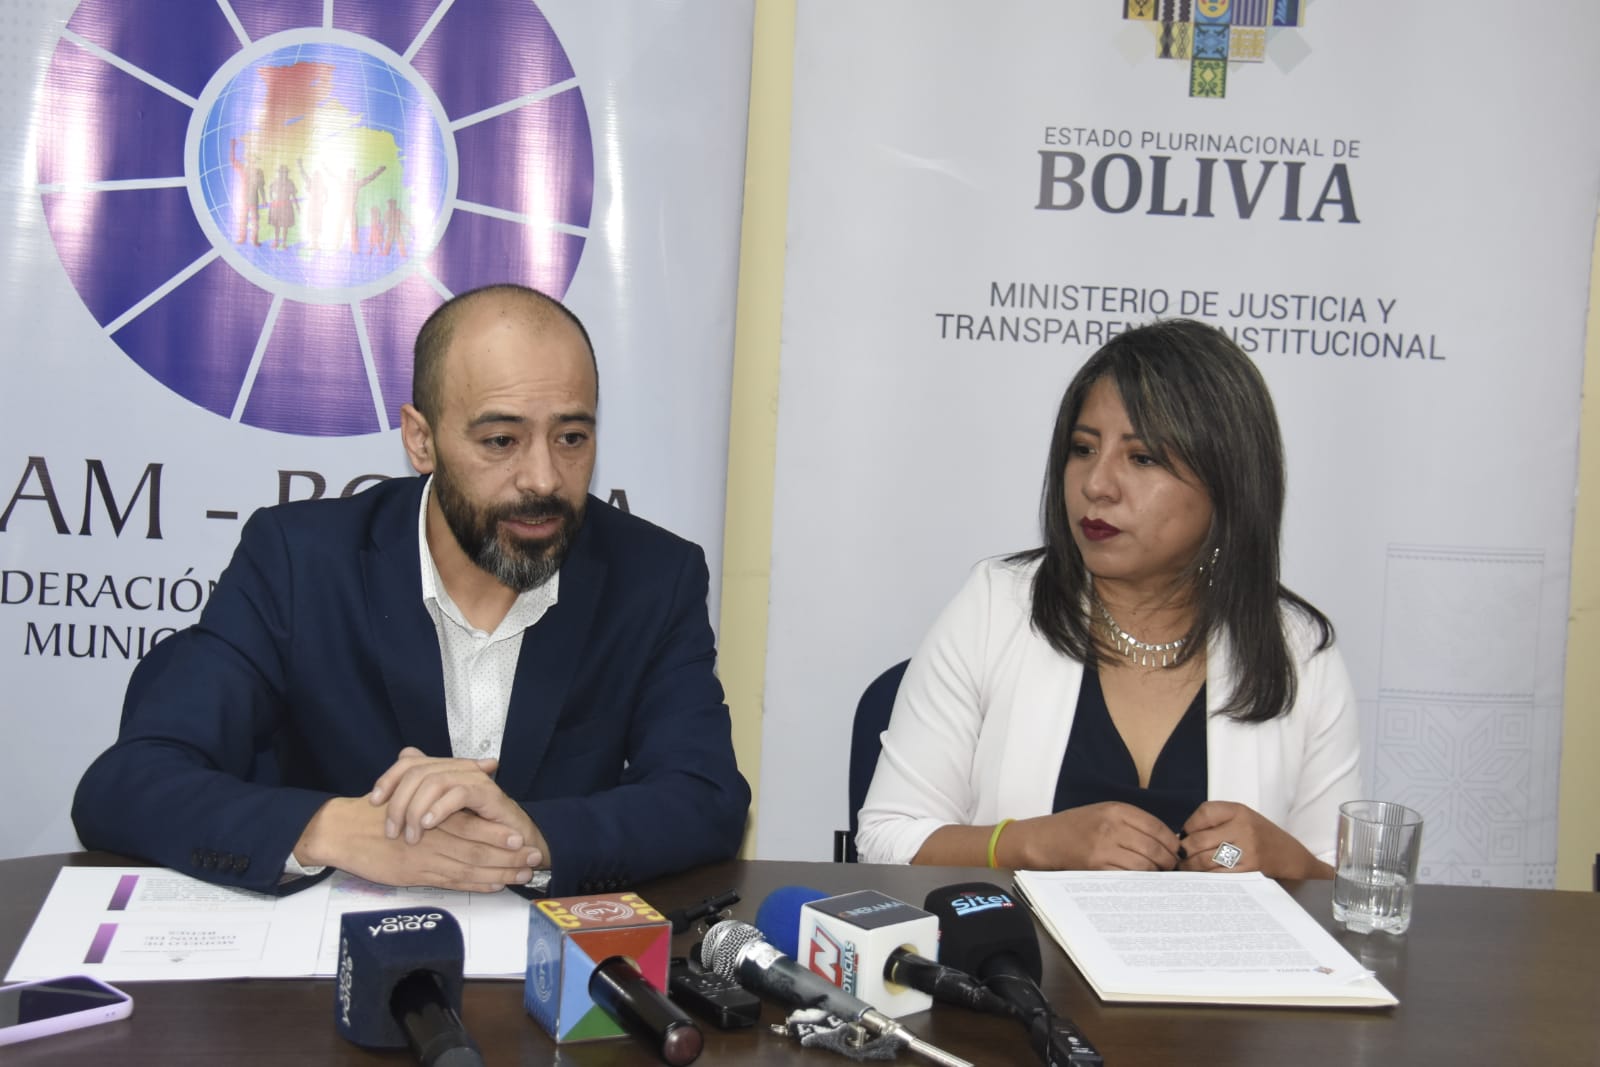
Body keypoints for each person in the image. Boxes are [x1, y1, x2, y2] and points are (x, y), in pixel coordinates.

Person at [73, 284, 750, 897]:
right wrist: (331, 828)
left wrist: (533, 836)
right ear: (420, 440)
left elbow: (706, 797)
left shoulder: (653, 577)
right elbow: (129, 783)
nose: (544, 478)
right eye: (501, 440)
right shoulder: (299, 562)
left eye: (572, 437)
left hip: (548, 976)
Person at [855, 318, 1360, 879]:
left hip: (1221, 943)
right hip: (1022, 940)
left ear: (1228, 482)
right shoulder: (997, 606)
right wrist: (1028, 843)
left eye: (1142, 458)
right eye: (1083, 448)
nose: (1096, 484)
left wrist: (1288, 863)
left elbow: (1347, 894)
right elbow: (885, 838)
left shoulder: (1298, 650)